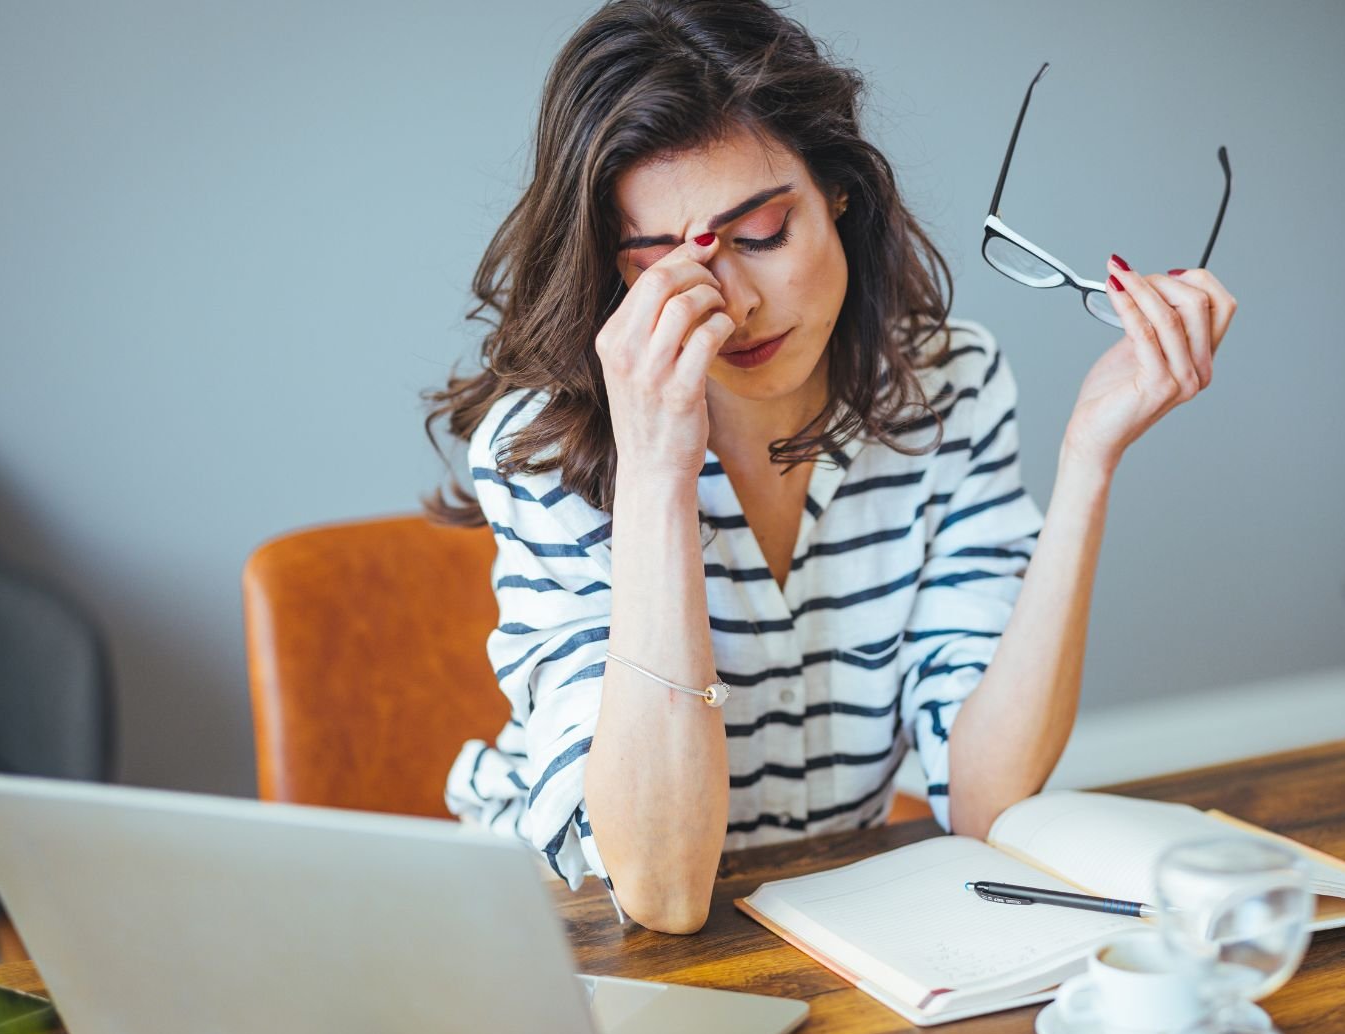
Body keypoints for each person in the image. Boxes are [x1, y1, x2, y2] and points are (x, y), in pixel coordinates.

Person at [425, 0, 1235, 934]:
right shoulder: (548, 450)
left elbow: (985, 803)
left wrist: (1089, 462)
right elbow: (661, 890)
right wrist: (655, 474)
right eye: (662, 262)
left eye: (763, 232)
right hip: (561, 931)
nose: (730, 302)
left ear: (839, 194)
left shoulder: (947, 387)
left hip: (819, 919)